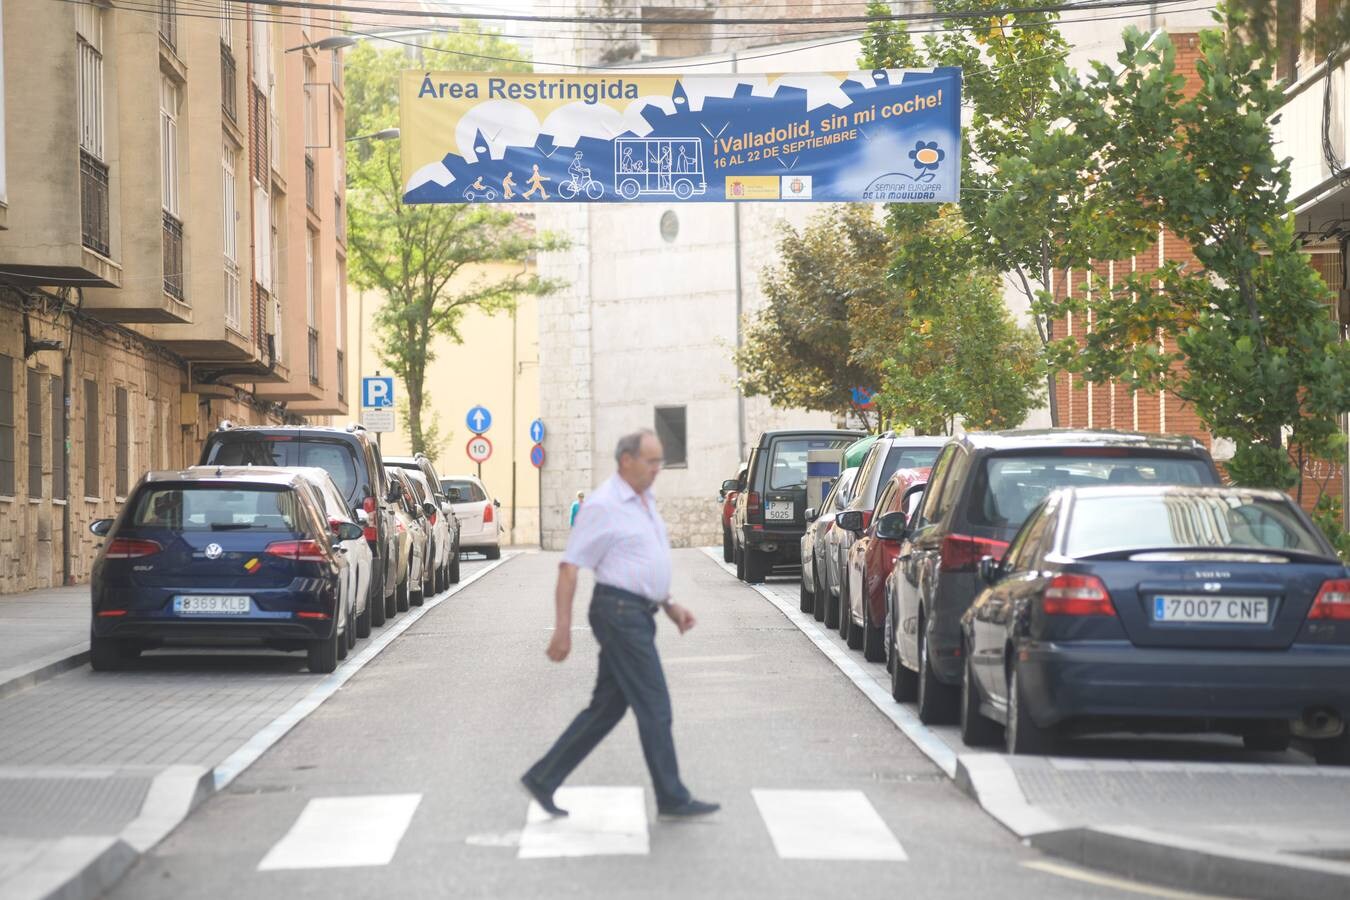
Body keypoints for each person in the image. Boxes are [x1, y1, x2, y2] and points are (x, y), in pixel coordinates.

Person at [521, 430, 719, 820]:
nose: (658, 468)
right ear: (626, 461)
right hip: (619, 614)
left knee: (606, 708)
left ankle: (544, 778)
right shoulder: (603, 505)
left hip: (639, 611)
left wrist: (670, 605)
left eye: (661, 460)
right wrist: (562, 629)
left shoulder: (645, 500)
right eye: (651, 461)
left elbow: (641, 563)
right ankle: (671, 797)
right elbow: (569, 567)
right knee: (655, 704)